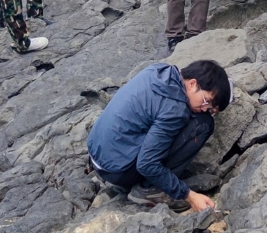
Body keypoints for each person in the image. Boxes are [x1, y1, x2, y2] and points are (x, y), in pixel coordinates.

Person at [87, 59, 231, 212]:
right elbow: (147, 164)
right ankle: (150, 190)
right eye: (206, 101)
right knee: (204, 123)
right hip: (117, 171)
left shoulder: (159, 70)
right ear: (192, 84)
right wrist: (188, 195)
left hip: (97, 155)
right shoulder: (175, 110)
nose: (205, 109)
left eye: (210, 108)